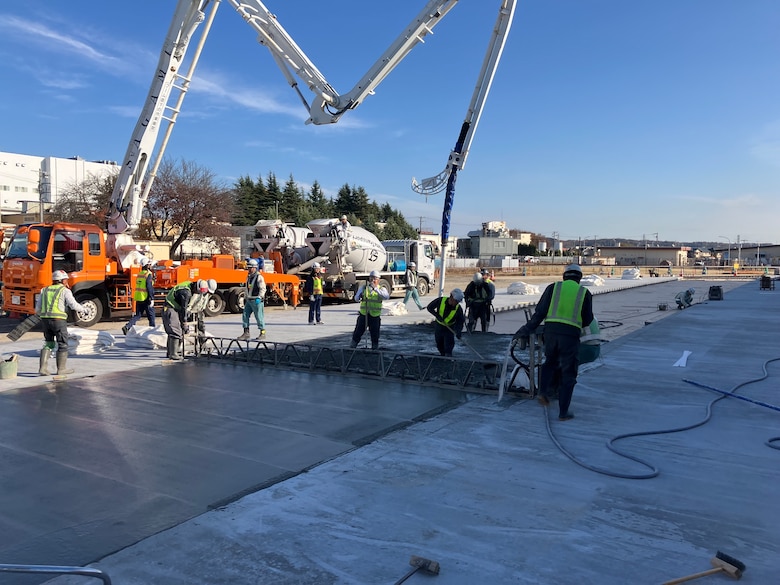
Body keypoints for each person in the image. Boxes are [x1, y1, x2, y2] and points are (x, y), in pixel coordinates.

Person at [512, 263, 594, 421]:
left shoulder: (553, 288)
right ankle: (563, 412)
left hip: (550, 333)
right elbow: (588, 319)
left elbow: (539, 313)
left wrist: (525, 330)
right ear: (579, 278)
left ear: (564, 276)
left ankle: (543, 392)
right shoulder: (585, 292)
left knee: (549, 362)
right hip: (570, 335)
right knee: (568, 373)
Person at [35, 270, 86, 376]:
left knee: (48, 343)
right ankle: (61, 369)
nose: (67, 281)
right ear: (62, 280)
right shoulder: (65, 291)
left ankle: (43, 369)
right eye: (66, 279)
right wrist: (84, 310)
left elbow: (38, 309)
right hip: (58, 321)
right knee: (62, 344)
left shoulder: (44, 290)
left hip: (45, 320)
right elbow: (73, 305)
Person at [350, 270, 389, 349]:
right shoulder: (364, 288)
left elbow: (386, 297)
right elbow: (356, 298)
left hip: (375, 315)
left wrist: (376, 289)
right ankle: (353, 345)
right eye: (371, 278)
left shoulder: (381, 289)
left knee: (375, 333)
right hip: (364, 314)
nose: (373, 280)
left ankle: (375, 347)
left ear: (378, 280)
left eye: (375, 279)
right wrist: (359, 296)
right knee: (358, 331)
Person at [426, 288, 466, 357]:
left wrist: (458, 331)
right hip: (439, 326)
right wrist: (437, 315)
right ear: (451, 297)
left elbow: (460, 321)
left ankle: (448, 356)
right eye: (456, 301)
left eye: (458, 302)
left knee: (449, 344)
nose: (456, 303)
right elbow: (429, 307)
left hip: (449, 328)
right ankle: (442, 354)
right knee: (439, 343)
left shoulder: (458, 309)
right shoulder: (441, 301)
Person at [122, 256, 155, 334]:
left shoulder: (139, 274)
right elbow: (149, 287)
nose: (150, 265)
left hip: (139, 297)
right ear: (147, 265)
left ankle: (127, 326)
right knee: (151, 316)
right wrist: (151, 298)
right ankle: (153, 331)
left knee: (137, 315)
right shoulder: (148, 274)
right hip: (146, 298)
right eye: (149, 264)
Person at [162, 280, 193, 360]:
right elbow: (184, 308)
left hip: (172, 307)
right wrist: (185, 322)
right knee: (175, 331)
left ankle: (171, 352)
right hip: (170, 307)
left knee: (174, 331)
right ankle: (173, 354)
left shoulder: (188, 286)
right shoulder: (186, 293)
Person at [237, 259, 267, 340]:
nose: (249, 269)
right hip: (249, 300)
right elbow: (247, 288)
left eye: (250, 268)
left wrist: (260, 297)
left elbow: (263, 289)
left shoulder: (259, 277)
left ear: (255, 268)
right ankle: (246, 333)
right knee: (245, 316)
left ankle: (262, 332)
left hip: (256, 300)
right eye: (248, 268)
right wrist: (245, 297)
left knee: (259, 317)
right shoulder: (249, 277)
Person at [186, 279, 217, 352]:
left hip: (199, 312)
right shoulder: (198, 292)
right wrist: (188, 310)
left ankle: (202, 344)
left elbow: (203, 303)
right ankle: (186, 345)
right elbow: (192, 302)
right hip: (191, 312)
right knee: (188, 329)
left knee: (201, 328)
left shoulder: (206, 294)